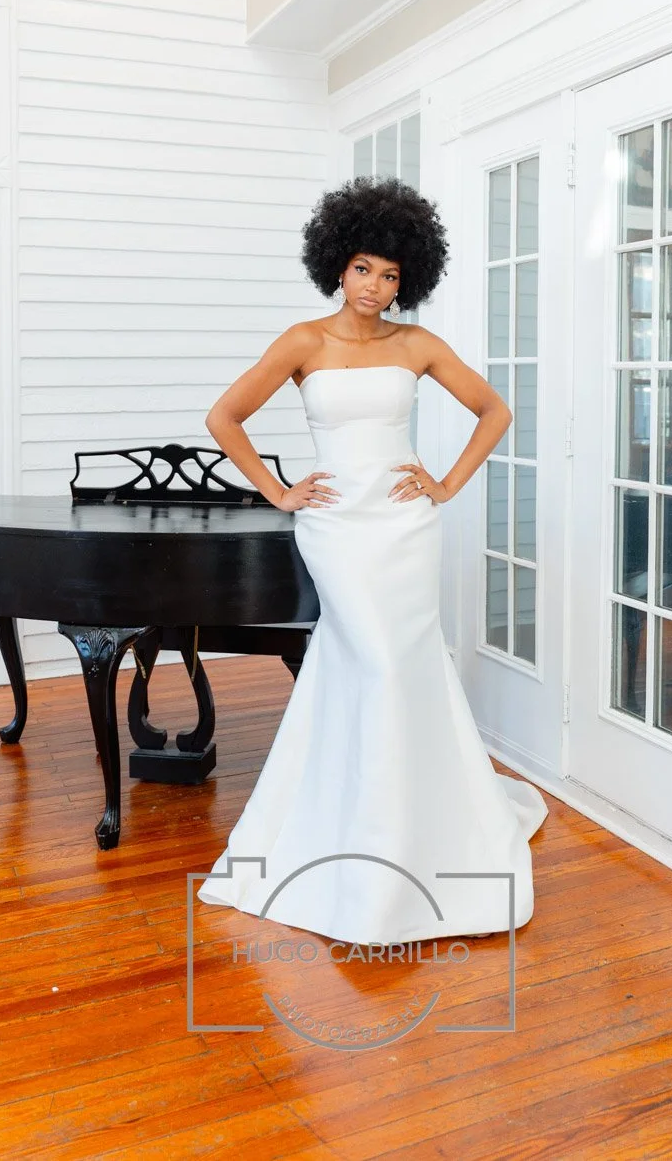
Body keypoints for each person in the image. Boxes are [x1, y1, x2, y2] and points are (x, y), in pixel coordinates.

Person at [195, 176, 548, 943]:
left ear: (407, 277)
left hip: (403, 526)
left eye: (391, 275)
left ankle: (415, 828)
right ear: (338, 264)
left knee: (398, 661)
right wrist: (278, 490)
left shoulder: (415, 346)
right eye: (363, 268)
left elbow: (496, 410)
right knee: (369, 660)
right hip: (335, 530)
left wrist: (446, 483)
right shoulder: (302, 341)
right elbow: (224, 416)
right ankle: (353, 825)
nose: (376, 287)